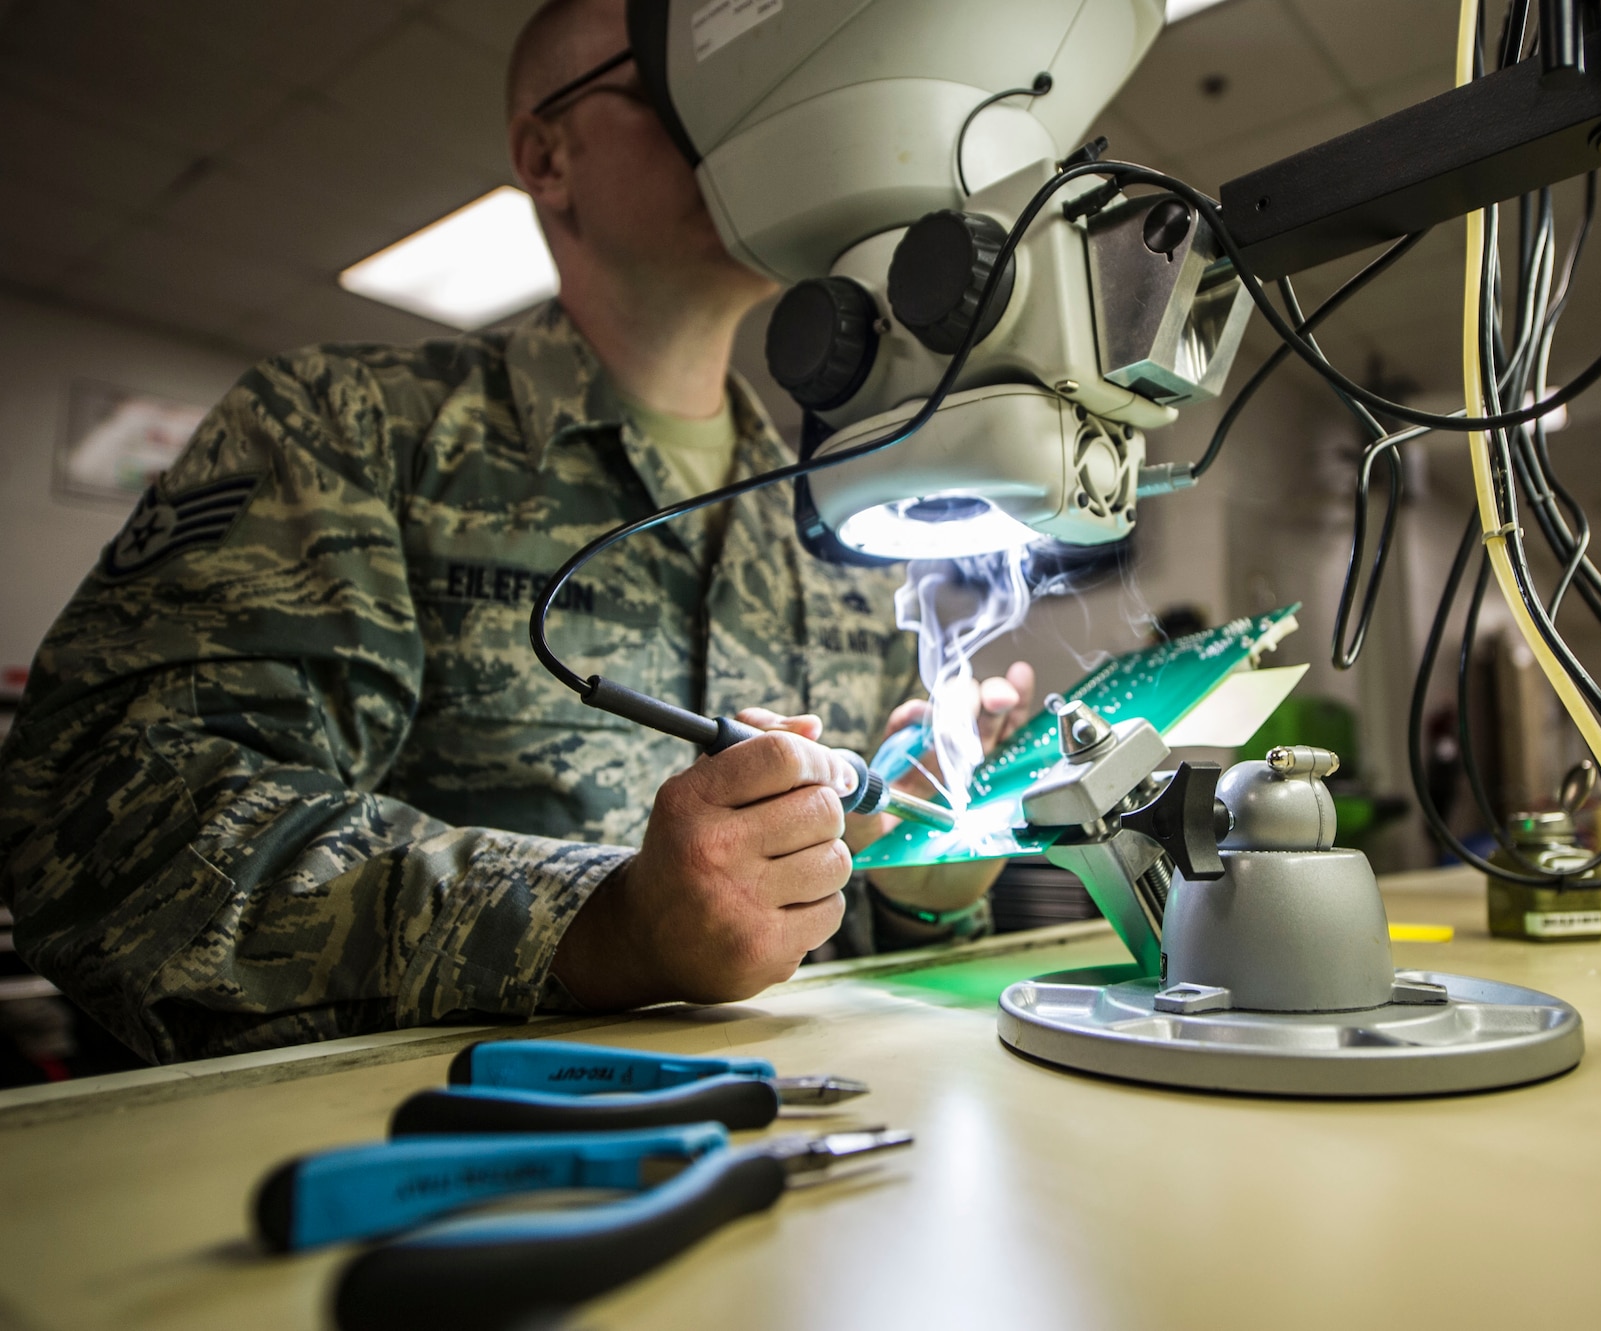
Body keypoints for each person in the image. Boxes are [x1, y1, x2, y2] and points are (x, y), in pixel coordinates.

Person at [0, 0, 1033, 1065]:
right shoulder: (348, 427)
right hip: (433, 1158)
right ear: (546, 154)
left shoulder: (835, 522)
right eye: (679, 84)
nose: (743, 112)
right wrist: (604, 923)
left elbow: (839, 948)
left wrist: (919, 889)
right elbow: (108, 830)